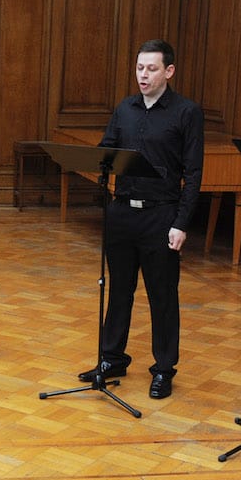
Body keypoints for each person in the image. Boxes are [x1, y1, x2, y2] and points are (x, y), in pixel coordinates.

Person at [77, 39, 204, 400]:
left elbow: (193, 174)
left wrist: (181, 223)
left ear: (169, 71)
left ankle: (164, 369)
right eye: (139, 68)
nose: (143, 75)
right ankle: (112, 358)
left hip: (161, 216)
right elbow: (108, 150)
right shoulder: (125, 108)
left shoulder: (186, 112)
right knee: (119, 290)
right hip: (121, 212)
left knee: (162, 296)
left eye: (151, 68)